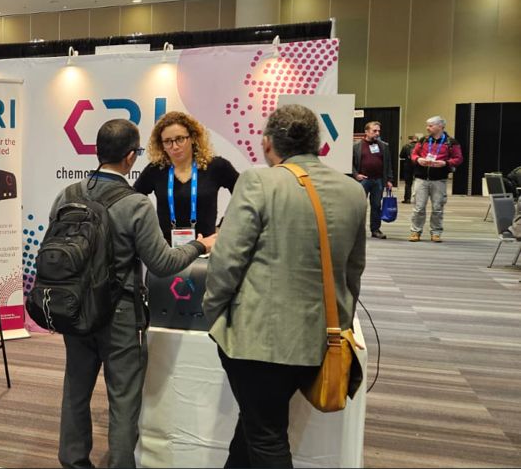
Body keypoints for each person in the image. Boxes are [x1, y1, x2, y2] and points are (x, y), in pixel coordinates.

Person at [203, 104, 366, 468]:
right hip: (318, 338)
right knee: (256, 424)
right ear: (318, 143)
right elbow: (354, 270)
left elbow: (227, 262)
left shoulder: (259, 181)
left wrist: (213, 315)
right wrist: (338, 326)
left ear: (266, 143)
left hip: (258, 339)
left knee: (266, 436)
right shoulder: (352, 190)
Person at [55, 119, 215, 469]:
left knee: (75, 393)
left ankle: (73, 461)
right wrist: (200, 246)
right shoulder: (135, 204)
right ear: (131, 157)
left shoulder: (67, 195)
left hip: (73, 310)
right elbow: (162, 263)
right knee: (124, 400)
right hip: (119, 315)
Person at [133, 111, 238, 245]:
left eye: (180, 139)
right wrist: (149, 227)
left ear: (193, 138)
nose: (175, 146)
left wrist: (224, 226)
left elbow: (243, 195)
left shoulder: (216, 166)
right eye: (167, 142)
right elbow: (134, 197)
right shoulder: (155, 170)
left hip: (205, 248)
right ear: (161, 144)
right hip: (167, 251)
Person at [409, 116, 463, 242]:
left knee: (437, 208)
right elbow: (413, 154)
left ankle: (436, 233)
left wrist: (445, 163)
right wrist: (418, 159)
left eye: (430, 125)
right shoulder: (423, 140)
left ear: (440, 126)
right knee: (419, 207)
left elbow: (458, 158)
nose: (427, 128)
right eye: (427, 125)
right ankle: (415, 232)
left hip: (439, 180)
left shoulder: (451, 142)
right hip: (421, 179)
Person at [352, 121, 395, 239]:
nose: (377, 133)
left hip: (378, 181)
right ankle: (357, 230)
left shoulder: (383, 146)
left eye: (378, 131)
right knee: (360, 206)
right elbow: (350, 163)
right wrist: (356, 175)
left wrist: (389, 179)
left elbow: (388, 164)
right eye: (374, 131)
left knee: (376, 206)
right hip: (363, 181)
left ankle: (375, 230)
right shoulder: (356, 146)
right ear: (366, 132)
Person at [398, 135, 418, 203]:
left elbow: (401, 155)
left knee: (408, 184)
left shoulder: (406, 146)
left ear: (410, 140)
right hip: (418, 166)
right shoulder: (420, 146)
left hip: (408, 166)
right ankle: (418, 199)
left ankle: (407, 199)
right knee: (419, 183)